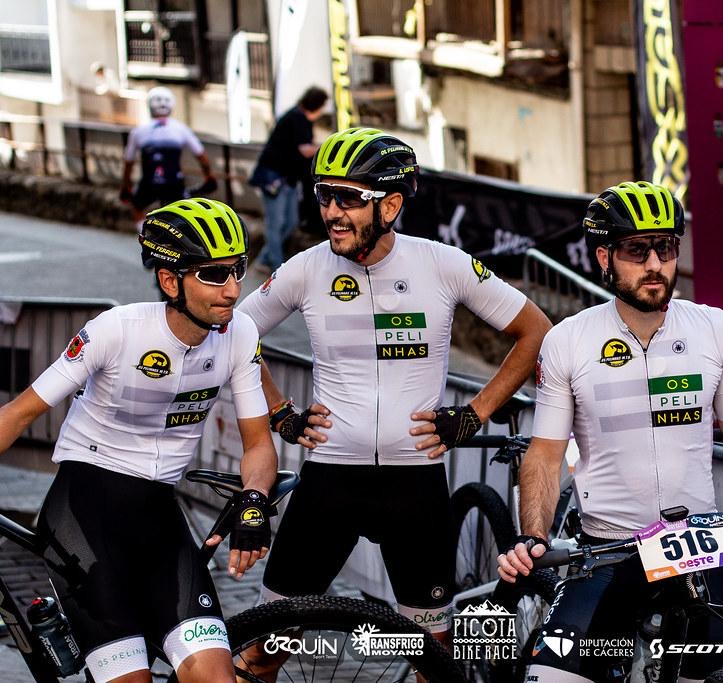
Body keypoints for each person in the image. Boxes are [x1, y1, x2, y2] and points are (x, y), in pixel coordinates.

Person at [496, 181, 723, 682]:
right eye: (636, 250)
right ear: (604, 257)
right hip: (610, 548)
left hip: (700, 545)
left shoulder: (714, 328)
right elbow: (544, 455)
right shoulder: (568, 342)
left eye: (665, 248)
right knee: (553, 677)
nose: (654, 264)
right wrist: (534, 538)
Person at [235, 126, 551, 662]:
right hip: (330, 480)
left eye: (348, 199)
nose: (331, 212)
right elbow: (235, 336)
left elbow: (536, 330)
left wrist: (474, 413)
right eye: (324, 196)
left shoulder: (442, 264)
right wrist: (280, 412)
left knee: (432, 654)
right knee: (267, 646)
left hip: (415, 486)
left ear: (391, 205)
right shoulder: (306, 268)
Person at [0, 199, 277, 683]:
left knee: (216, 678)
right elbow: (19, 413)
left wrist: (254, 499)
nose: (234, 288)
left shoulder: (239, 335)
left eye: (238, 269)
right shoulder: (116, 330)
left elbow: (258, 443)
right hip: (85, 514)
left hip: (159, 518)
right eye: (214, 274)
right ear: (170, 281)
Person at [250, 86, 329, 271]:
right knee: (275, 224)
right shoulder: (296, 118)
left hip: (289, 179)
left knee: (291, 222)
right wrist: (328, 146)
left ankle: (264, 259)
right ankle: (277, 267)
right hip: (273, 178)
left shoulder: (301, 118)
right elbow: (305, 149)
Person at [120, 87, 216, 231]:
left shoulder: (138, 131)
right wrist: (209, 176)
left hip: (149, 182)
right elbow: (201, 156)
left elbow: (129, 161)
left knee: (137, 208)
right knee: (182, 215)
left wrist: (126, 185)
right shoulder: (181, 129)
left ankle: (146, 235)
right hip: (174, 182)